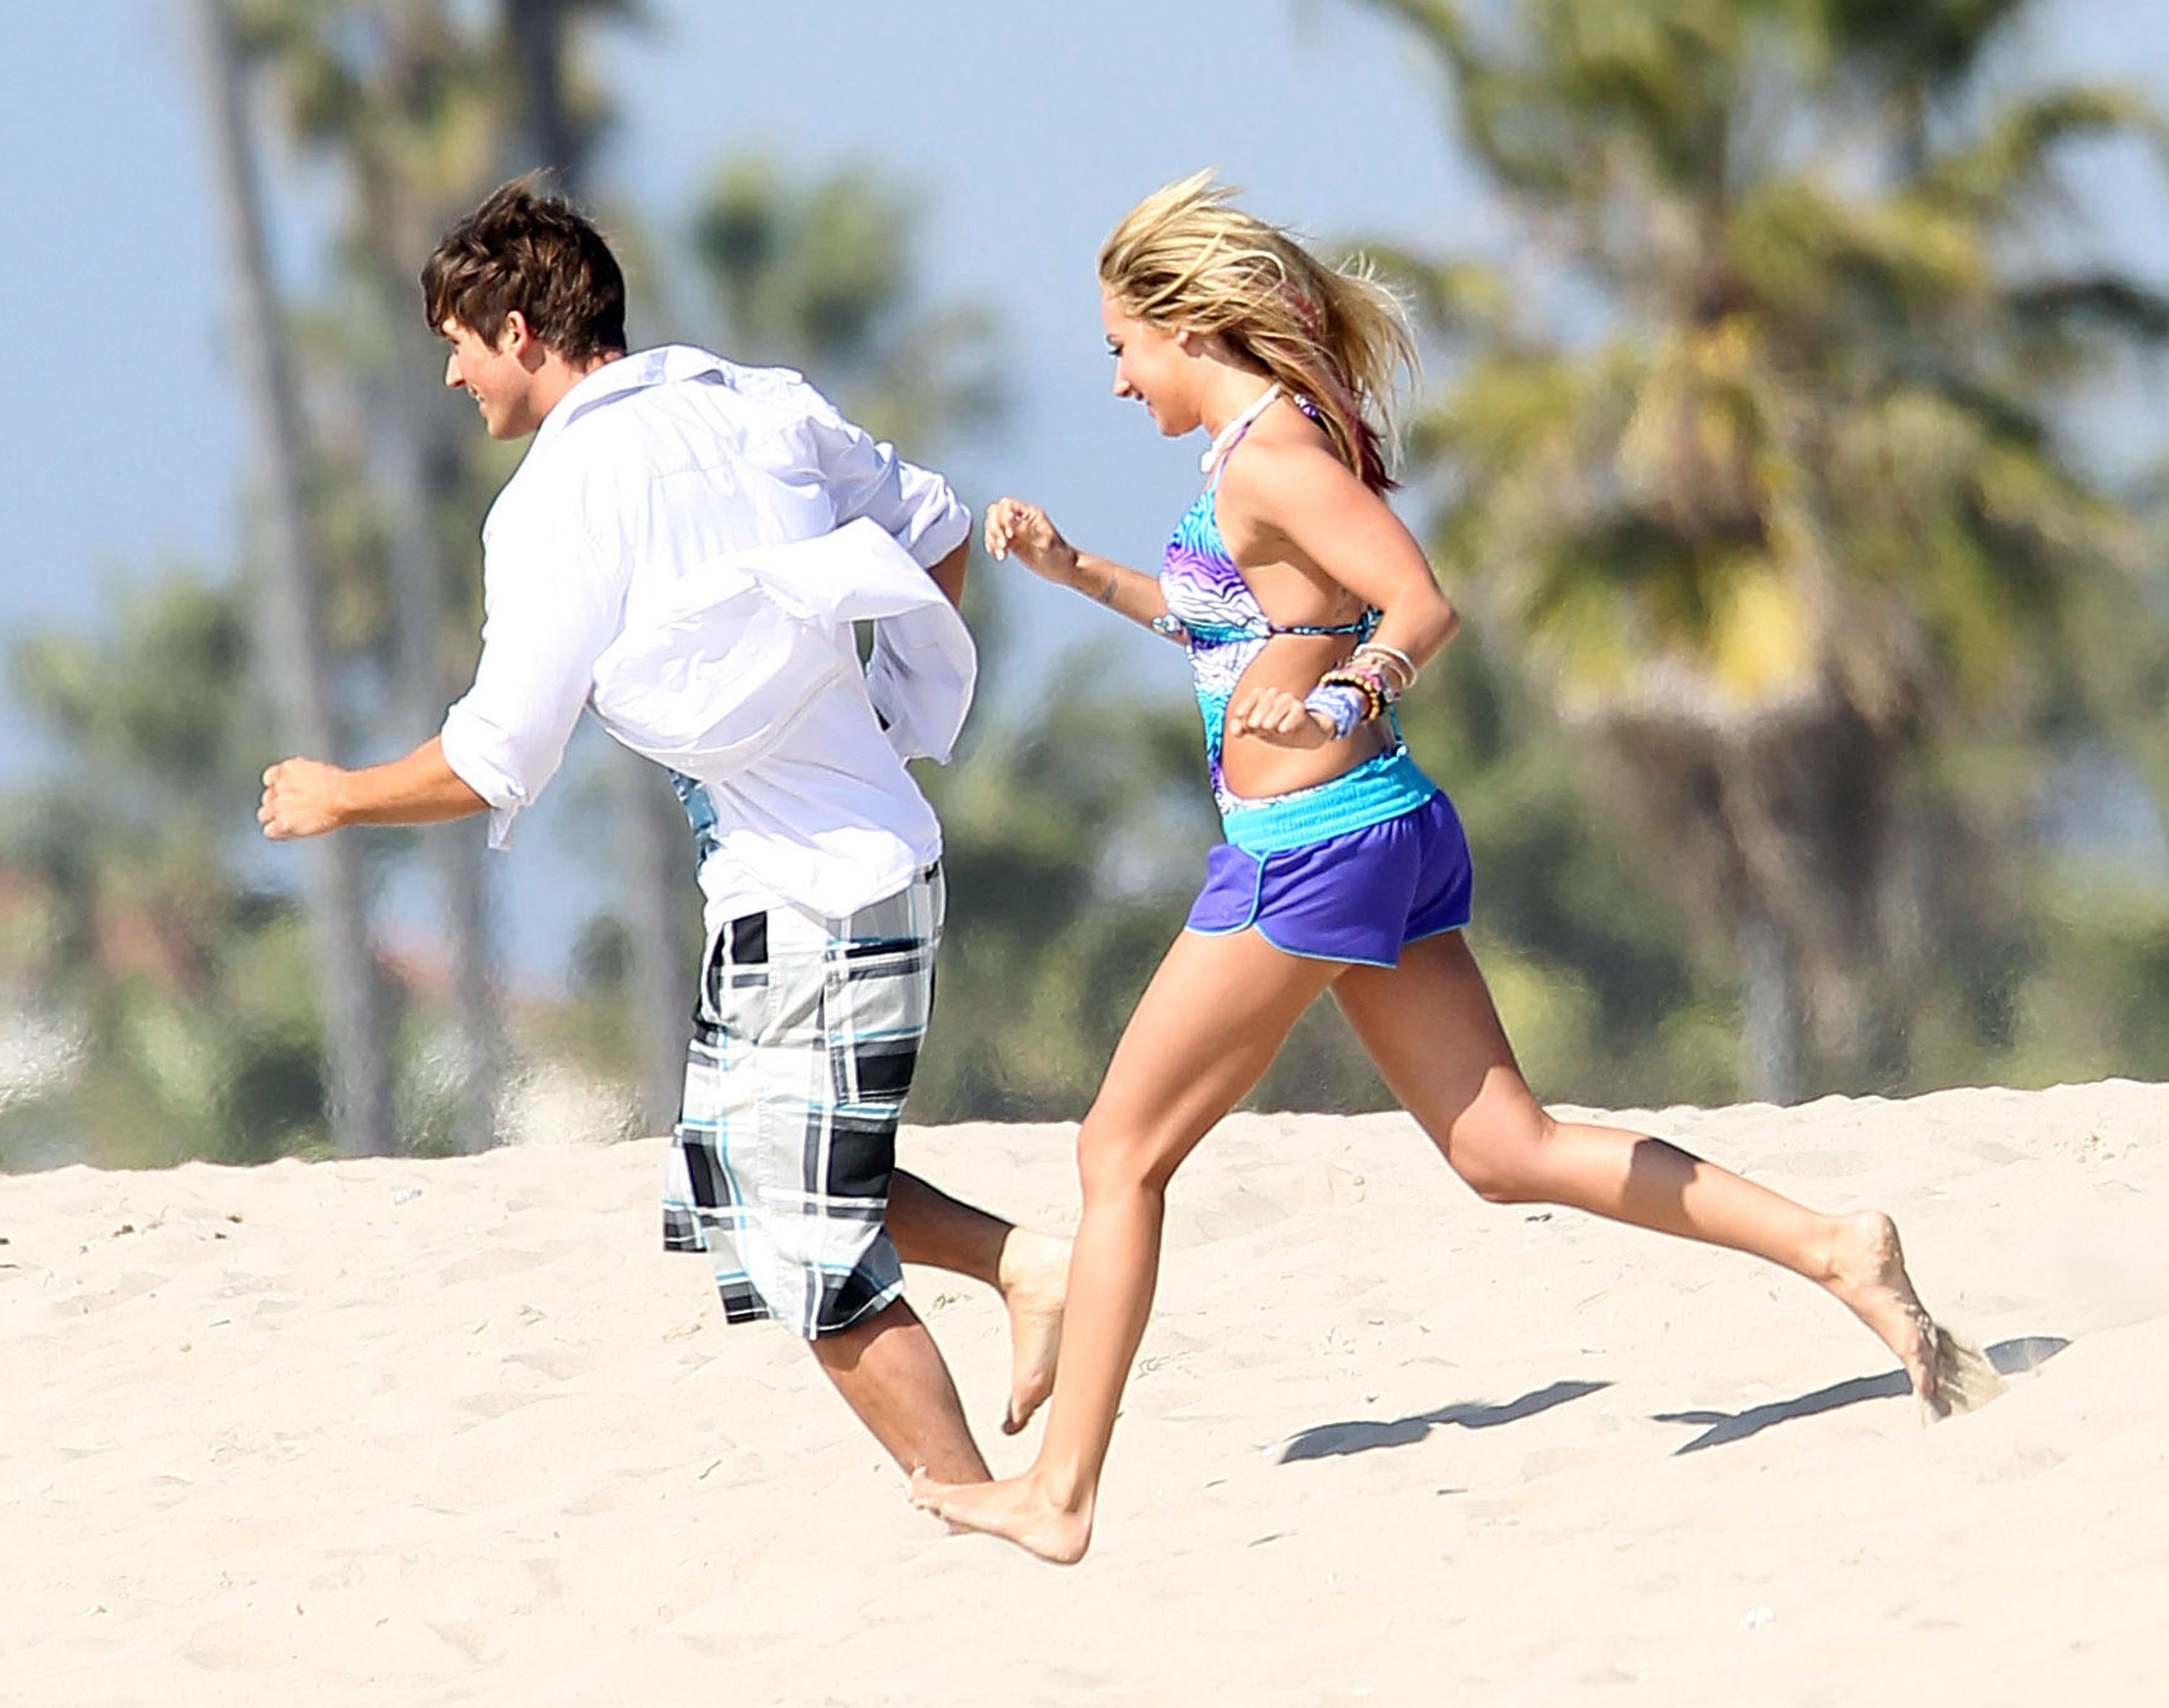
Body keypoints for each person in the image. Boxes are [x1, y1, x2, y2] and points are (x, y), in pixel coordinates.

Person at [910, 172, 2000, 1563]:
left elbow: (1419, 602)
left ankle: (1059, 1495)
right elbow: (1232, 622)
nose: (1119, 380)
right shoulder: (1263, 450)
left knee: (1116, 1153)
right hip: (1368, 835)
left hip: (1313, 852)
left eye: (1123, 346)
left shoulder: (1271, 458)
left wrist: (1342, 700)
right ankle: (1839, 1247)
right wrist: (1076, 569)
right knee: (1503, 1149)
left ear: (1185, 324)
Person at [257, 179, 1066, 1486]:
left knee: (804, 1242)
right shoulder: (761, 402)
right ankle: (1025, 1266)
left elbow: (496, 755)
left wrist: (337, 795)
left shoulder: (555, 500)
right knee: (744, 1177)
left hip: (821, 895)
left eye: (459, 345)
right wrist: (886, 716)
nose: (454, 377)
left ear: (520, 330)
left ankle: (979, 1507)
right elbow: (939, 532)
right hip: (827, 870)